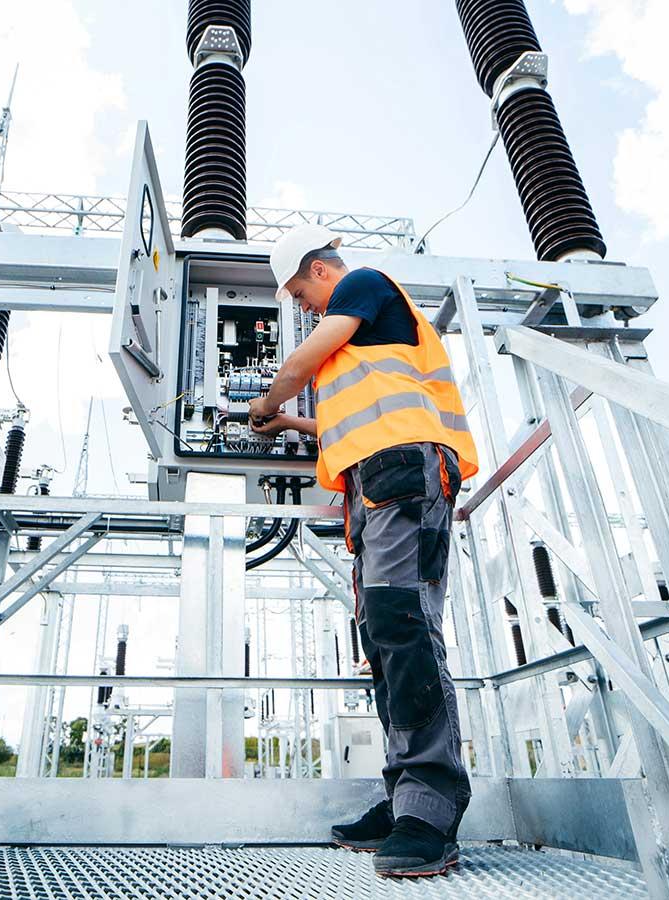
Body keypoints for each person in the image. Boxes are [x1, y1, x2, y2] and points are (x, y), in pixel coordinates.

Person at [248, 224, 480, 877]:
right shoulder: (360, 343)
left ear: (320, 270)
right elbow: (343, 417)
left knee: (403, 626)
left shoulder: (362, 284)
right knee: (382, 637)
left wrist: (267, 404)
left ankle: (430, 810)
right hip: (375, 484)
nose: (302, 307)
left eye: (299, 292)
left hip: (406, 471)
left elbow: (295, 368)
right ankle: (405, 795)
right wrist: (291, 422)